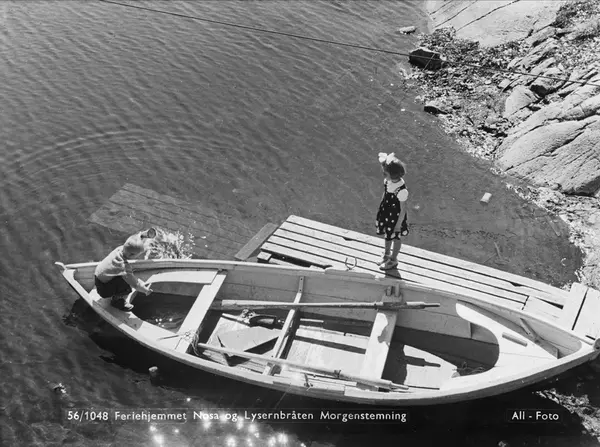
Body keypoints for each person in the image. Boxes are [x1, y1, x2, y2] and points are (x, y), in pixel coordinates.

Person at [94, 229, 156, 311]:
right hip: (104, 290)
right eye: (138, 255)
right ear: (131, 255)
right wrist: (146, 291)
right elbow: (136, 285)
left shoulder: (120, 249)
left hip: (98, 277)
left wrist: (145, 235)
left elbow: (136, 238)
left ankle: (115, 291)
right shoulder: (123, 267)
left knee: (124, 278)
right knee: (127, 286)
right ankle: (116, 301)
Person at [375, 152, 409, 270]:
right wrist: (381, 209)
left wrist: (398, 225)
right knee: (387, 234)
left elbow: (403, 209)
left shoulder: (401, 190)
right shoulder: (388, 181)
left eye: (385, 173)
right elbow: (385, 195)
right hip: (386, 212)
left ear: (393, 175)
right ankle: (386, 255)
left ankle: (394, 259)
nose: (383, 175)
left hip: (396, 217)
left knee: (396, 237)